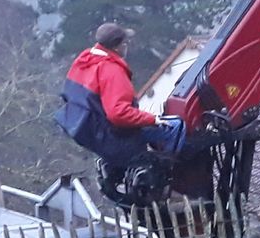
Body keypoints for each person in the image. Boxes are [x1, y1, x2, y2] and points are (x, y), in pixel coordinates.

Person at [55, 22, 195, 206]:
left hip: (90, 131)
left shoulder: (85, 60)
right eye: (125, 42)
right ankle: (165, 183)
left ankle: (124, 166)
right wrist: (152, 119)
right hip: (113, 135)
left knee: (155, 124)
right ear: (118, 45)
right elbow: (118, 114)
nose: (127, 46)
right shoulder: (112, 70)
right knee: (176, 126)